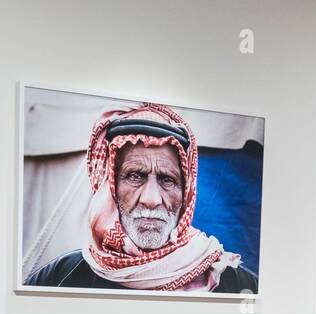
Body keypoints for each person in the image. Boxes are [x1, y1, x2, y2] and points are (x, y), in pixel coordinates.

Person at [25, 103, 257, 293]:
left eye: (167, 179)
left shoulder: (235, 284)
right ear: (110, 187)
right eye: (135, 176)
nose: (152, 199)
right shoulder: (60, 279)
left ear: (185, 193)